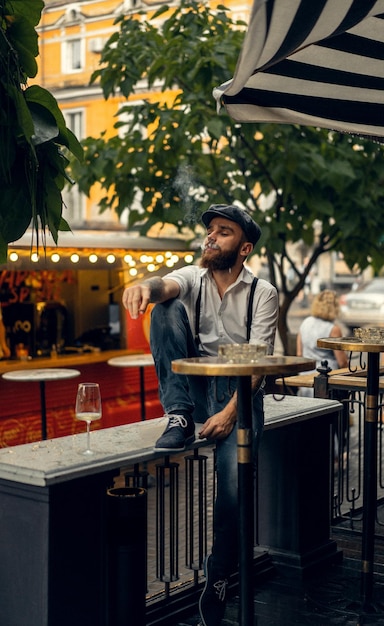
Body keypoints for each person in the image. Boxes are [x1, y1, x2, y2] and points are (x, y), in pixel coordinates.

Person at [122, 204, 278, 626]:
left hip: (239, 391)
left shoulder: (262, 292)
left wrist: (231, 414)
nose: (211, 237)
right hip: (195, 386)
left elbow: (259, 363)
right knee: (166, 309)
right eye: (210, 230)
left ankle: (221, 573)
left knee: (232, 489)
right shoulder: (194, 277)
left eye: (223, 232)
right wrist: (144, 286)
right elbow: (166, 285)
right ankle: (177, 414)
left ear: (244, 248)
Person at [296, 289, 348, 397]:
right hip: (327, 382)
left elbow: (299, 355)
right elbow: (342, 362)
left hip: (305, 380)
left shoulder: (305, 323)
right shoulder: (333, 329)